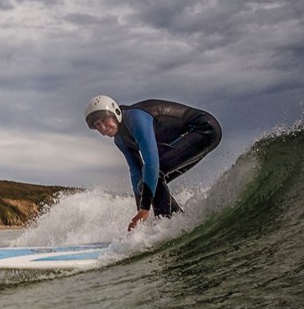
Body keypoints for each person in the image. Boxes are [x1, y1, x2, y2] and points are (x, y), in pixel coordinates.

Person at [84, 96, 222, 231]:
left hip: (203, 129)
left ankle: (168, 226)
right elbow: (136, 173)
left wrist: (145, 209)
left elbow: (151, 161)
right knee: (147, 181)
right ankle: (178, 223)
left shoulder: (135, 117)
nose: (102, 127)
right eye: (97, 125)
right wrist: (140, 215)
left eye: (104, 120)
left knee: (155, 174)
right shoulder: (120, 140)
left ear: (116, 113)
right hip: (185, 139)